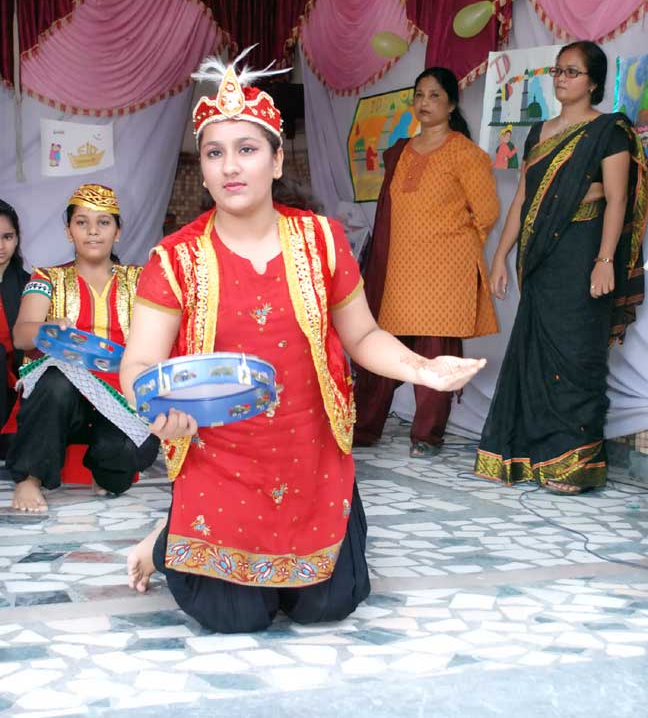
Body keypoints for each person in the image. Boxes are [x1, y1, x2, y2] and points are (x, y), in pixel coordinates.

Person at [121, 51, 486, 634]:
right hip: (219, 461)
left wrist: (421, 369)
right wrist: (157, 406)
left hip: (310, 456)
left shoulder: (321, 239)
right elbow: (141, 360)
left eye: (247, 149)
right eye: (214, 153)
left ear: (276, 159)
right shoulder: (175, 258)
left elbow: (362, 333)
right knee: (235, 619)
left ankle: (185, 529)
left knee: (326, 607)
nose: (230, 166)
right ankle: (170, 533)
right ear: (204, 167)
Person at [475, 41, 647, 494]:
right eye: (558, 71)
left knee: (577, 355)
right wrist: (500, 256)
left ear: (593, 82)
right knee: (536, 354)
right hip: (541, 258)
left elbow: (617, 200)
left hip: (584, 253)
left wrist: (605, 261)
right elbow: (523, 198)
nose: (561, 79)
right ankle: (535, 456)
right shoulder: (539, 132)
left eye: (572, 72)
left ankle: (576, 463)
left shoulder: (609, 130)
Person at [353, 67, 499, 457]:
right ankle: (364, 427)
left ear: (451, 105)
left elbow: (486, 213)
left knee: (435, 349)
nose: (424, 102)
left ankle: (427, 436)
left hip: (444, 273)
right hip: (400, 270)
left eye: (435, 95)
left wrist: (452, 247)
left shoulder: (466, 153)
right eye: (419, 94)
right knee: (384, 345)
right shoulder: (401, 152)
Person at [8, 184, 159, 512]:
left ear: (118, 232)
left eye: (103, 222)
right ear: (68, 231)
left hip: (120, 394)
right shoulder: (47, 277)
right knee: (55, 381)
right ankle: (29, 478)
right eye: (81, 222)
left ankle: (102, 467)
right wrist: (47, 331)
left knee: (127, 457)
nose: (93, 231)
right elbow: (20, 335)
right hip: (63, 398)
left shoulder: (141, 279)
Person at [0, 200, 29, 452]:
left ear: (17, 238)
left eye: (7, 237)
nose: (1, 246)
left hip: (16, 382)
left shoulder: (30, 285)